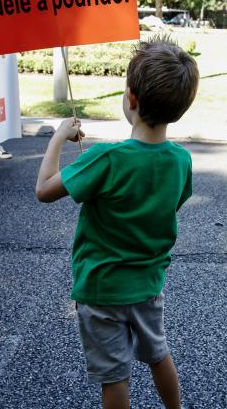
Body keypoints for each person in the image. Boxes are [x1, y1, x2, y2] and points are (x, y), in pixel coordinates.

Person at [35, 37, 197, 409]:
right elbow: (175, 202)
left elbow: (44, 190)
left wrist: (59, 137)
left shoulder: (106, 158)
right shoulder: (181, 160)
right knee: (158, 353)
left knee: (115, 377)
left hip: (101, 288)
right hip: (148, 285)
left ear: (131, 99)